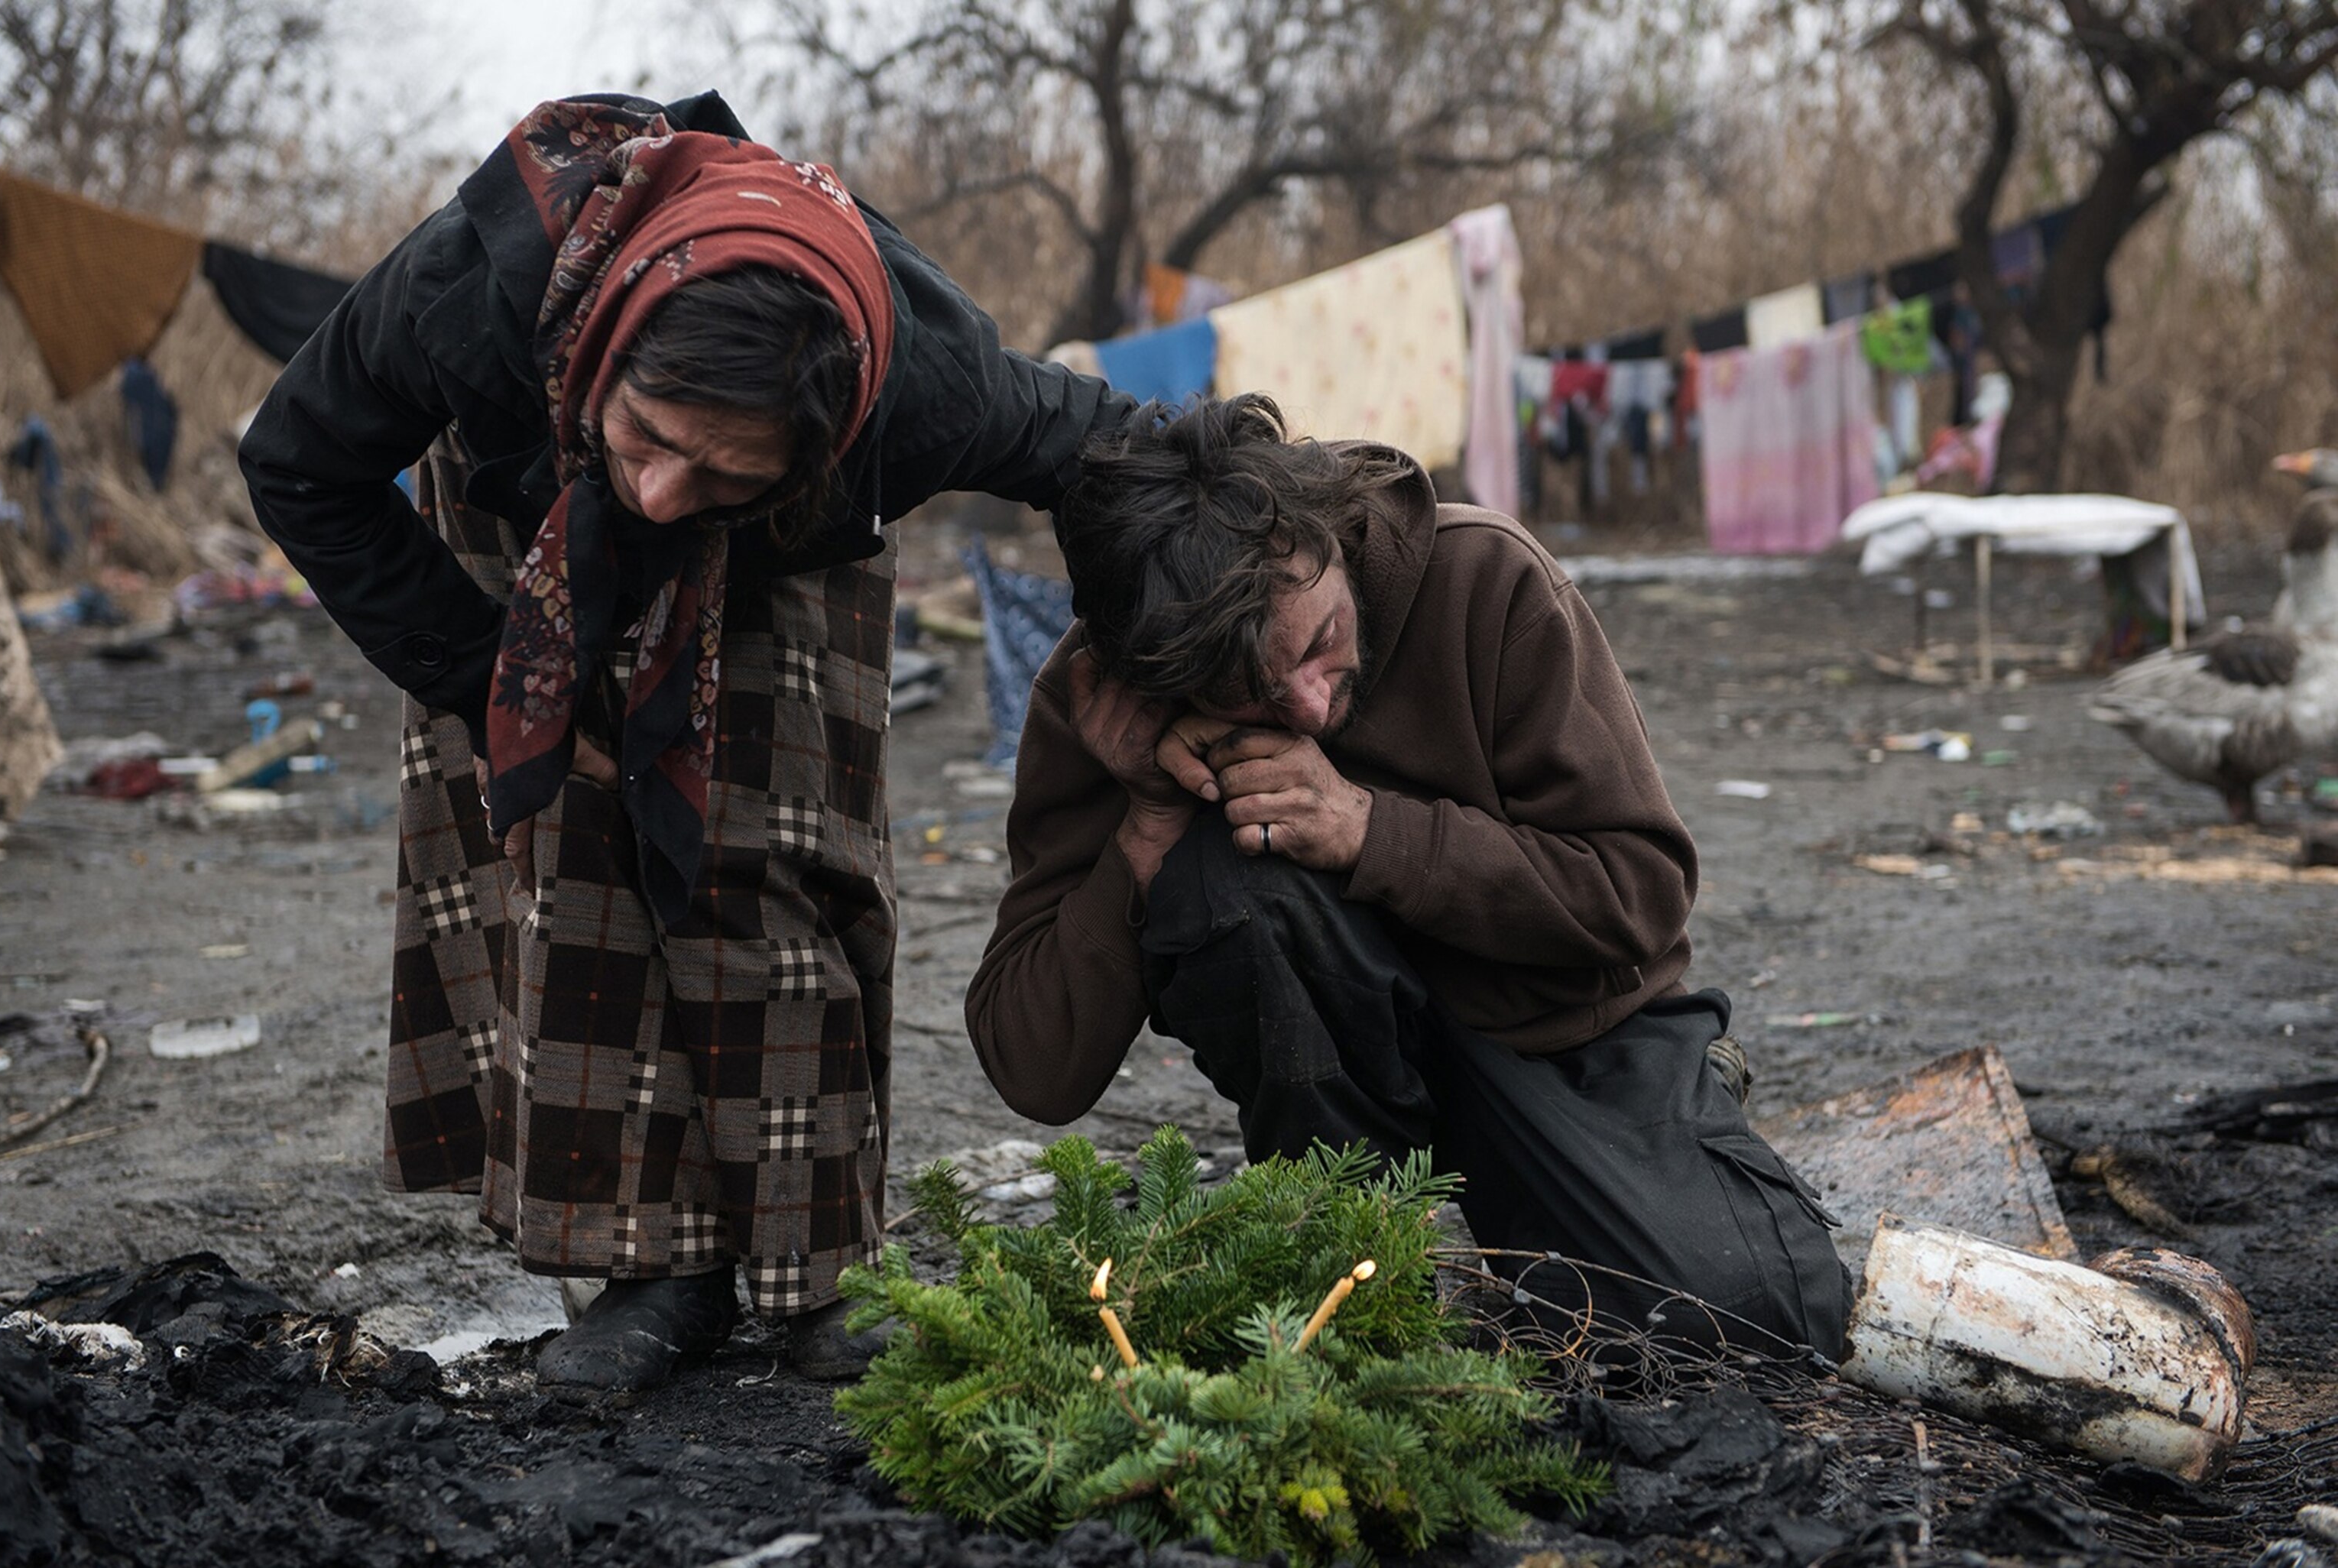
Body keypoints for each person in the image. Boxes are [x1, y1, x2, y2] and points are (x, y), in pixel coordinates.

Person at [238, 91, 1134, 1394]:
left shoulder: (924, 388)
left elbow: (1116, 451)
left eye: (709, 465)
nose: (662, 490)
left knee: (774, 847)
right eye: (655, 441)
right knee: (577, 851)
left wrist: (1309, 544)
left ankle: (823, 1267)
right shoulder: (470, 289)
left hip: (773, 549)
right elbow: (297, 462)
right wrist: (496, 675)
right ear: (613, 350)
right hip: (525, 493)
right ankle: (652, 1266)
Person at [967, 395, 1850, 1357]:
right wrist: (1148, 822)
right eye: (1249, 700)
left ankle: (1673, 1118)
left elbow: (1641, 895)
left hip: (1562, 1040)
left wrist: (1367, 830)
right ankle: (1348, 1257)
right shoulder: (1107, 698)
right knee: (1224, 879)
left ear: (1326, 538)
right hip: (1341, 1077)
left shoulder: (1489, 580)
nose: (1307, 707)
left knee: (1760, 1316)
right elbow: (1034, 1065)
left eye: (1317, 643)